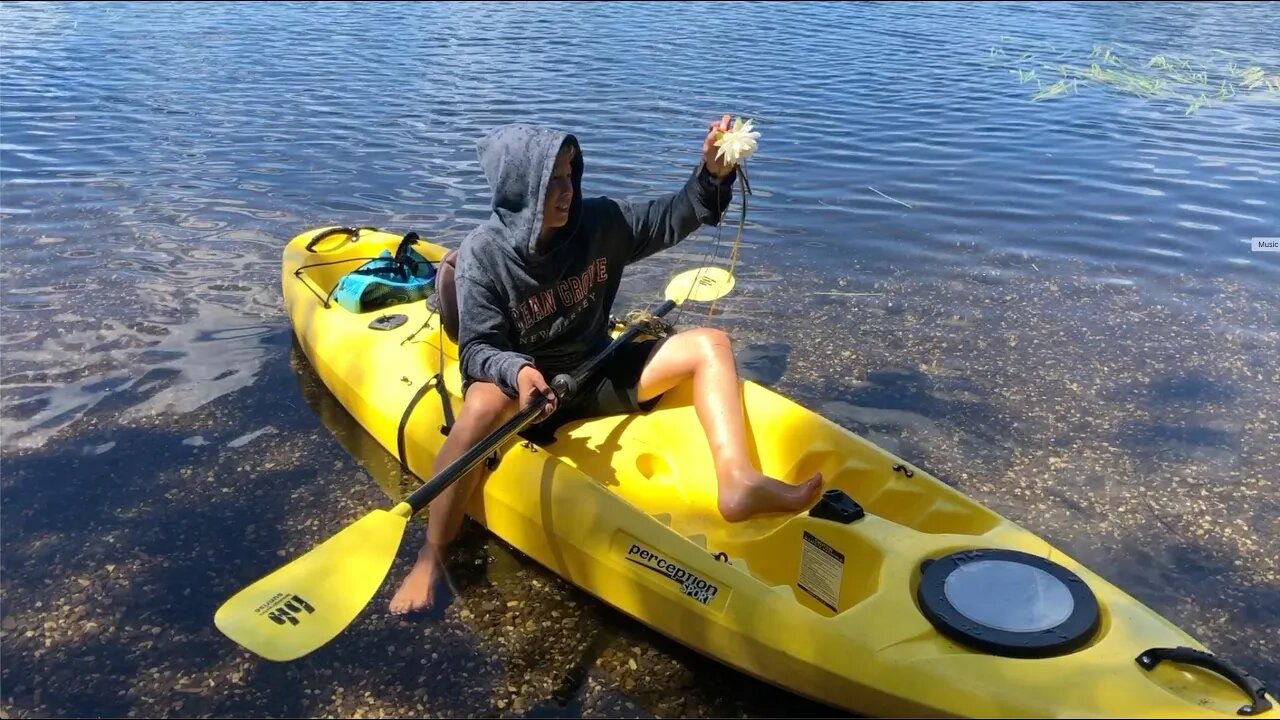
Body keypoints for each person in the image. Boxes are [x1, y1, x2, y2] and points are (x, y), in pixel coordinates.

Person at [389, 115, 823, 615]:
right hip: (529, 400)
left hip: (597, 370)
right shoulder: (483, 258)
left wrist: (712, 175)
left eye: (570, 174)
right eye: (551, 179)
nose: (566, 189)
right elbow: (477, 351)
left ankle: (738, 482)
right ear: (519, 186)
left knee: (710, 344)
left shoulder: (600, 224)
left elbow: (673, 216)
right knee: (484, 398)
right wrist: (519, 373)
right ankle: (430, 556)